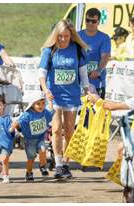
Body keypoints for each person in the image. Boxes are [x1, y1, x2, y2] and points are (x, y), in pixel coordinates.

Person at [38, 19, 89, 179]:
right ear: (55, 35)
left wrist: (87, 92)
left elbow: (83, 74)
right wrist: (46, 90)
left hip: (72, 95)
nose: (63, 39)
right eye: (60, 36)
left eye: (66, 36)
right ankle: (58, 164)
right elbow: (42, 74)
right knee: (55, 129)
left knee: (69, 131)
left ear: (71, 35)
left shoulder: (78, 50)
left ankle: (66, 163)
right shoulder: (49, 50)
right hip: (54, 96)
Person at [10, 92, 54, 182]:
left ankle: (42, 166)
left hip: (40, 137)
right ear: (32, 104)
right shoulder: (27, 115)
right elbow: (18, 122)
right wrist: (12, 128)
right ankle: (29, 173)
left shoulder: (44, 112)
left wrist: (50, 101)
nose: (41, 106)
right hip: (30, 140)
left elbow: (51, 111)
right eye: (38, 104)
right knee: (31, 158)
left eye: (42, 103)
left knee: (43, 149)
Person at [78, 8, 111, 99]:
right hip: (78, 84)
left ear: (98, 22)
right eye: (87, 20)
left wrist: (98, 71)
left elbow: (105, 56)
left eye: (93, 21)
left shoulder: (104, 38)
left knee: (95, 112)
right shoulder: (77, 36)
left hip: (96, 83)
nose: (90, 23)